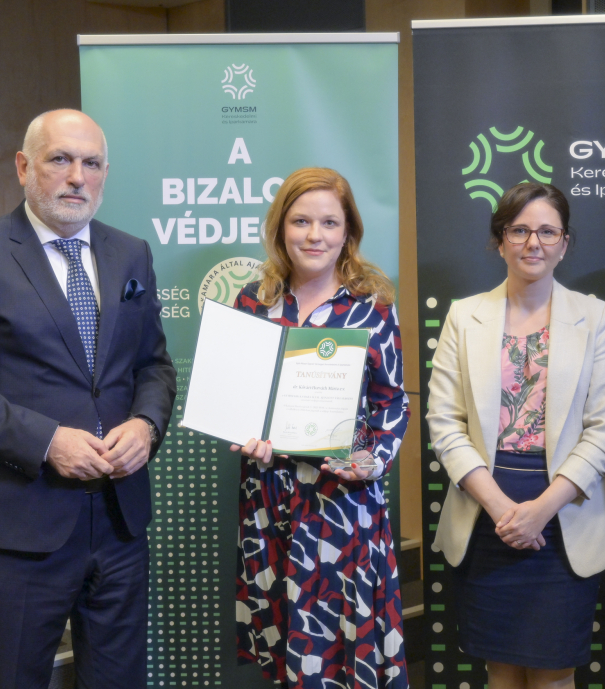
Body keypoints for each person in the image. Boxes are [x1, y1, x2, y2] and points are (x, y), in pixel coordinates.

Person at [0, 109, 176, 689]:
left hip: (120, 521)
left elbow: (153, 365)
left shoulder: (131, 253)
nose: (77, 177)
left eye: (92, 163)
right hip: (22, 523)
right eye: (60, 159)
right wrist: (47, 441)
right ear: (23, 167)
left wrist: (146, 425)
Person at [426, 182, 605, 689]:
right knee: (500, 671)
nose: (533, 242)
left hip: (563, 519)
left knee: (554, 674)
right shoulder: (463, 316)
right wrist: (502, 510)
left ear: (564, 243)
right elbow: (445, 424)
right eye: (519, 230)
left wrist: (540, 510)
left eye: (547, 232)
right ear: (500, 241)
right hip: (485, 517)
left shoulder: (595, 317)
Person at [230, 167, 410, 688]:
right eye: (301, 221)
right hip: (270, 499)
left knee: (340, 652)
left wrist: (372, 459)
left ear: (348, 230)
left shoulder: (373, 308)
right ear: (280, 227)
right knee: (287, 647)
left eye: (330, 222)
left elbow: (391, 401)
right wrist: (245, 434)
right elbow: (238, 397)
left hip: (343, 502)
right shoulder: (252, 302)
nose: (315, 235)